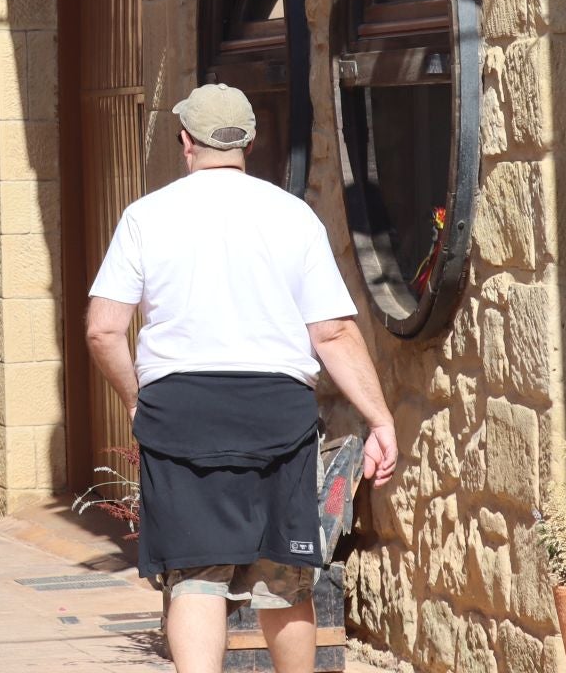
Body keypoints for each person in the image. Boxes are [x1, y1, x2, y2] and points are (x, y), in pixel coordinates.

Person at [84, 83, 399, 673]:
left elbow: (104, 330)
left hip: (180, 413)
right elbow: (332, 333)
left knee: (197, 579)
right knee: (285, 580)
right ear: (250, 142)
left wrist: (136, 399)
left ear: (186, 143)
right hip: (275, 414)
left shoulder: (145, 217)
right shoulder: (292, 216)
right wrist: (380, 419)